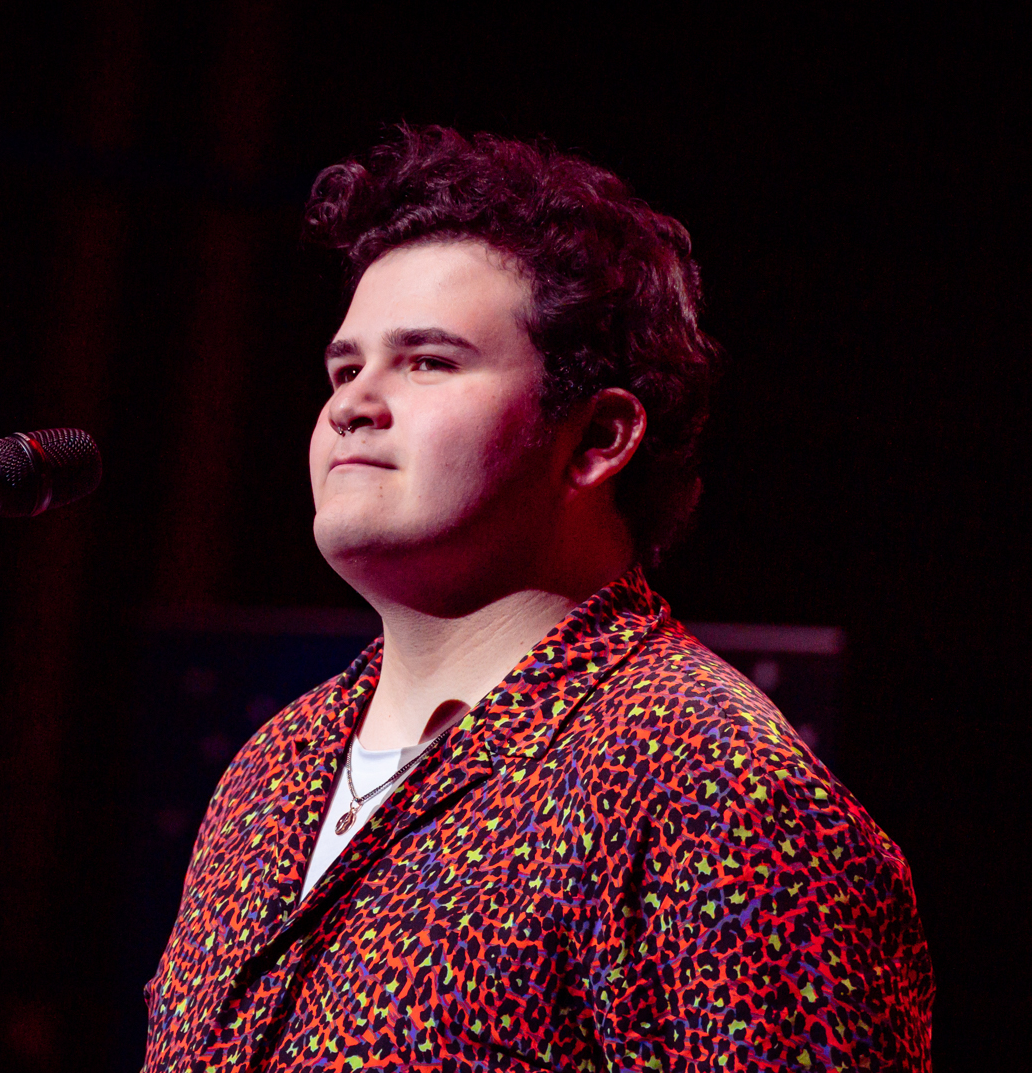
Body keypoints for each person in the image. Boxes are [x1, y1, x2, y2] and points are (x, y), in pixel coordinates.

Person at [143, 126, 932, 1072]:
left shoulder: (709, 788)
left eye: (428, 361)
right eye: (343, 368)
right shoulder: (271, 772)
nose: (353, 402)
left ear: (596, 437)